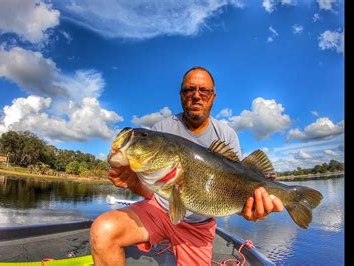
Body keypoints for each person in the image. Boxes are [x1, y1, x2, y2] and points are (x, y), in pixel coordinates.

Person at [90, 66, 284, 266]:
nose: (196, 95)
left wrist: (249, 211)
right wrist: (132, 182)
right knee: (103, 230)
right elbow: (154, 193)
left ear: (213, 96)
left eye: (204, 90)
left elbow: (232, 195)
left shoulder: (226, 135)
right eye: (189, 90)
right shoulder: (162, 129)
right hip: (159, 212)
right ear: (181, 95)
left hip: (199, 226)